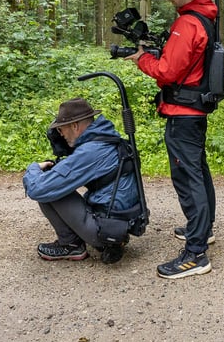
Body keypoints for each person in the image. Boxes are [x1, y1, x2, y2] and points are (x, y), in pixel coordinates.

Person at [127, 0, 217, 279]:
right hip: (195, 111)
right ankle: (202, 231)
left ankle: (195, 254)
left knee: (188, 179)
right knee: (198, 171)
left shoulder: (187, 23)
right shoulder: (205, 18)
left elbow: (167, 72)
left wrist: (142, 59)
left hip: (183, 113)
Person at [23, 98, 139, 264]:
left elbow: (38, 188)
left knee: (47, 187)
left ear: (74, 126)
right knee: (52, 180)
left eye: (61, 130)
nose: (61, 135)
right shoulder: (107, 140)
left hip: (105, 230)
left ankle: (71, 245)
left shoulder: (91, 151)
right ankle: (104, 240)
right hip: (120, 222)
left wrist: (33, 168)